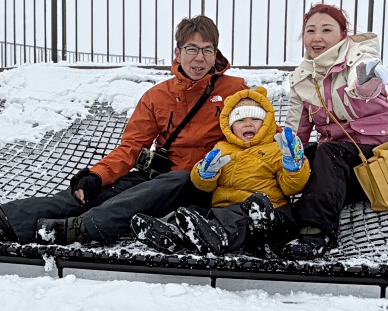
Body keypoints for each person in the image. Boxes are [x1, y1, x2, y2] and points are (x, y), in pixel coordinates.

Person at [0, 15, 248, 246]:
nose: (200, 58)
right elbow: (131, 147)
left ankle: (79, 229)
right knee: (94, 192)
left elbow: (255, 131)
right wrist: (96, 176)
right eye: (192, 49)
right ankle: (4, 218)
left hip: (201, 183)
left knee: (172, 182)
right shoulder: (158, 96)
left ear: (216, 53)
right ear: (178, 52)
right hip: (160, 177)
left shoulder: (235, 90)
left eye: (207, 50)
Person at [280, 3, 388, 260]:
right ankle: (274, 220)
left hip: (376, 153)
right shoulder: (303, 77)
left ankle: (316, 231)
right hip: (342, 159)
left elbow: (361, 86)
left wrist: (369, 76)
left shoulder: (358, 57)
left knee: (328, 153)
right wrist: (285, 157)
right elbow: (296, 128)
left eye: (326, 30)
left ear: (343, 33)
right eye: (310, 30)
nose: (317, 37)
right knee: (306, 159)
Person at [130, 86, 309, 256]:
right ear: (229, 126)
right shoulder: (222, 148)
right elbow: (205, 187)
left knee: (249, 209)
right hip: (223, 209)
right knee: (197, 210)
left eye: (255, 119)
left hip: (269, 217)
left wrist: (293, 166)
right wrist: (204, 174)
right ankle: (173, 233)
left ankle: (217, 236)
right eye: (240, 120)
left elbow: (291, 188)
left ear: (267, 122)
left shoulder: (277, 148)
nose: (248, 124)